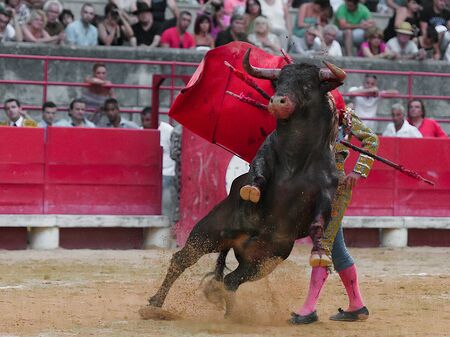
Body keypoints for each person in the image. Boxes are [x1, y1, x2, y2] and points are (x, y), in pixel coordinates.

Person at [289, 103, 379, 325]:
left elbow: (371, 139)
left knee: (323, 244)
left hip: (334, 187)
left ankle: (309, 309)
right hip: (311, 184)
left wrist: (358, 171)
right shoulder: (306, 112)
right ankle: (357, 305)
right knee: (335, 247)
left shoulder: (342, 113)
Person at [141, 107, 176, 224]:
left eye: (148, 120)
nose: (146, 123)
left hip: (168, 172)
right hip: (149, 173)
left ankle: (166, 220)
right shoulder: (141, 131)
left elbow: (175, 152)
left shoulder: (168, 130)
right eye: (144, 120)